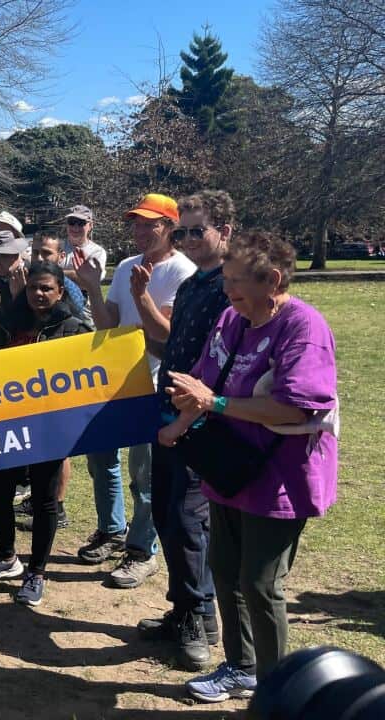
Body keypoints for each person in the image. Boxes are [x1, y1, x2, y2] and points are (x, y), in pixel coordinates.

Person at [155, 232, 338, 702]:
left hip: (279, 477)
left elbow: (294, 409)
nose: (227, 288)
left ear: (272, 280)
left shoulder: (303, 328)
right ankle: (241, 668)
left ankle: (278, 692)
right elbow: (204, 380)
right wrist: (181, 422)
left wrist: (214, 403)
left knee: (260, 583)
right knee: (224, 569)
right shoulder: (232, 319)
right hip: (228, 466)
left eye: (237, 280)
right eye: (227, 278)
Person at [134, 191, 235, 671]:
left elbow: (223, 363)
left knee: (188, 520)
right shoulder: (195, 284)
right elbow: (170, 343)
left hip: (200, 422)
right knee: (167, 515)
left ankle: (199, 617)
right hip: (168, 413)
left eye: (199, 230)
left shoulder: (230, 287)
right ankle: (185, 610)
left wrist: (188, 418)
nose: (190, 239)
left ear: (225, 232)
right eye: (183, 231)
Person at [74, 194, 196, 590]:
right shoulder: (127, 265)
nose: (140, 231)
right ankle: (112, 530)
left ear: (170, 227)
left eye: (150, 224)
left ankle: (142, 551)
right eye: (137, 224)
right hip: (114, 382)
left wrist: (143, 296)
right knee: (101, 462)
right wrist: (93, 289)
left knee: (145, 475)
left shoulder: (183, 271)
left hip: (153, 385)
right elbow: (108, 325)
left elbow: (168, 334)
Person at [0, 262, 92, 607]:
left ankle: (36, 572)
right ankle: (7, 556)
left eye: (46, 288)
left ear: (60, 291)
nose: (38, 294)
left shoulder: (73, 328)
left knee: (43, 498)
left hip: (49, 427)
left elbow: (87, 374)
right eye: (33, 287)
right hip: (7, 425)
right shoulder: (9, 322)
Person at [60, 204, 107, 287]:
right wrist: (76, 275)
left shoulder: (98, 252)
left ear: (90, 225)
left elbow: (91, 281)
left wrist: (55, 273)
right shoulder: (55, 246)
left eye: (81, 223)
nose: (75, 227)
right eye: (71, 222)